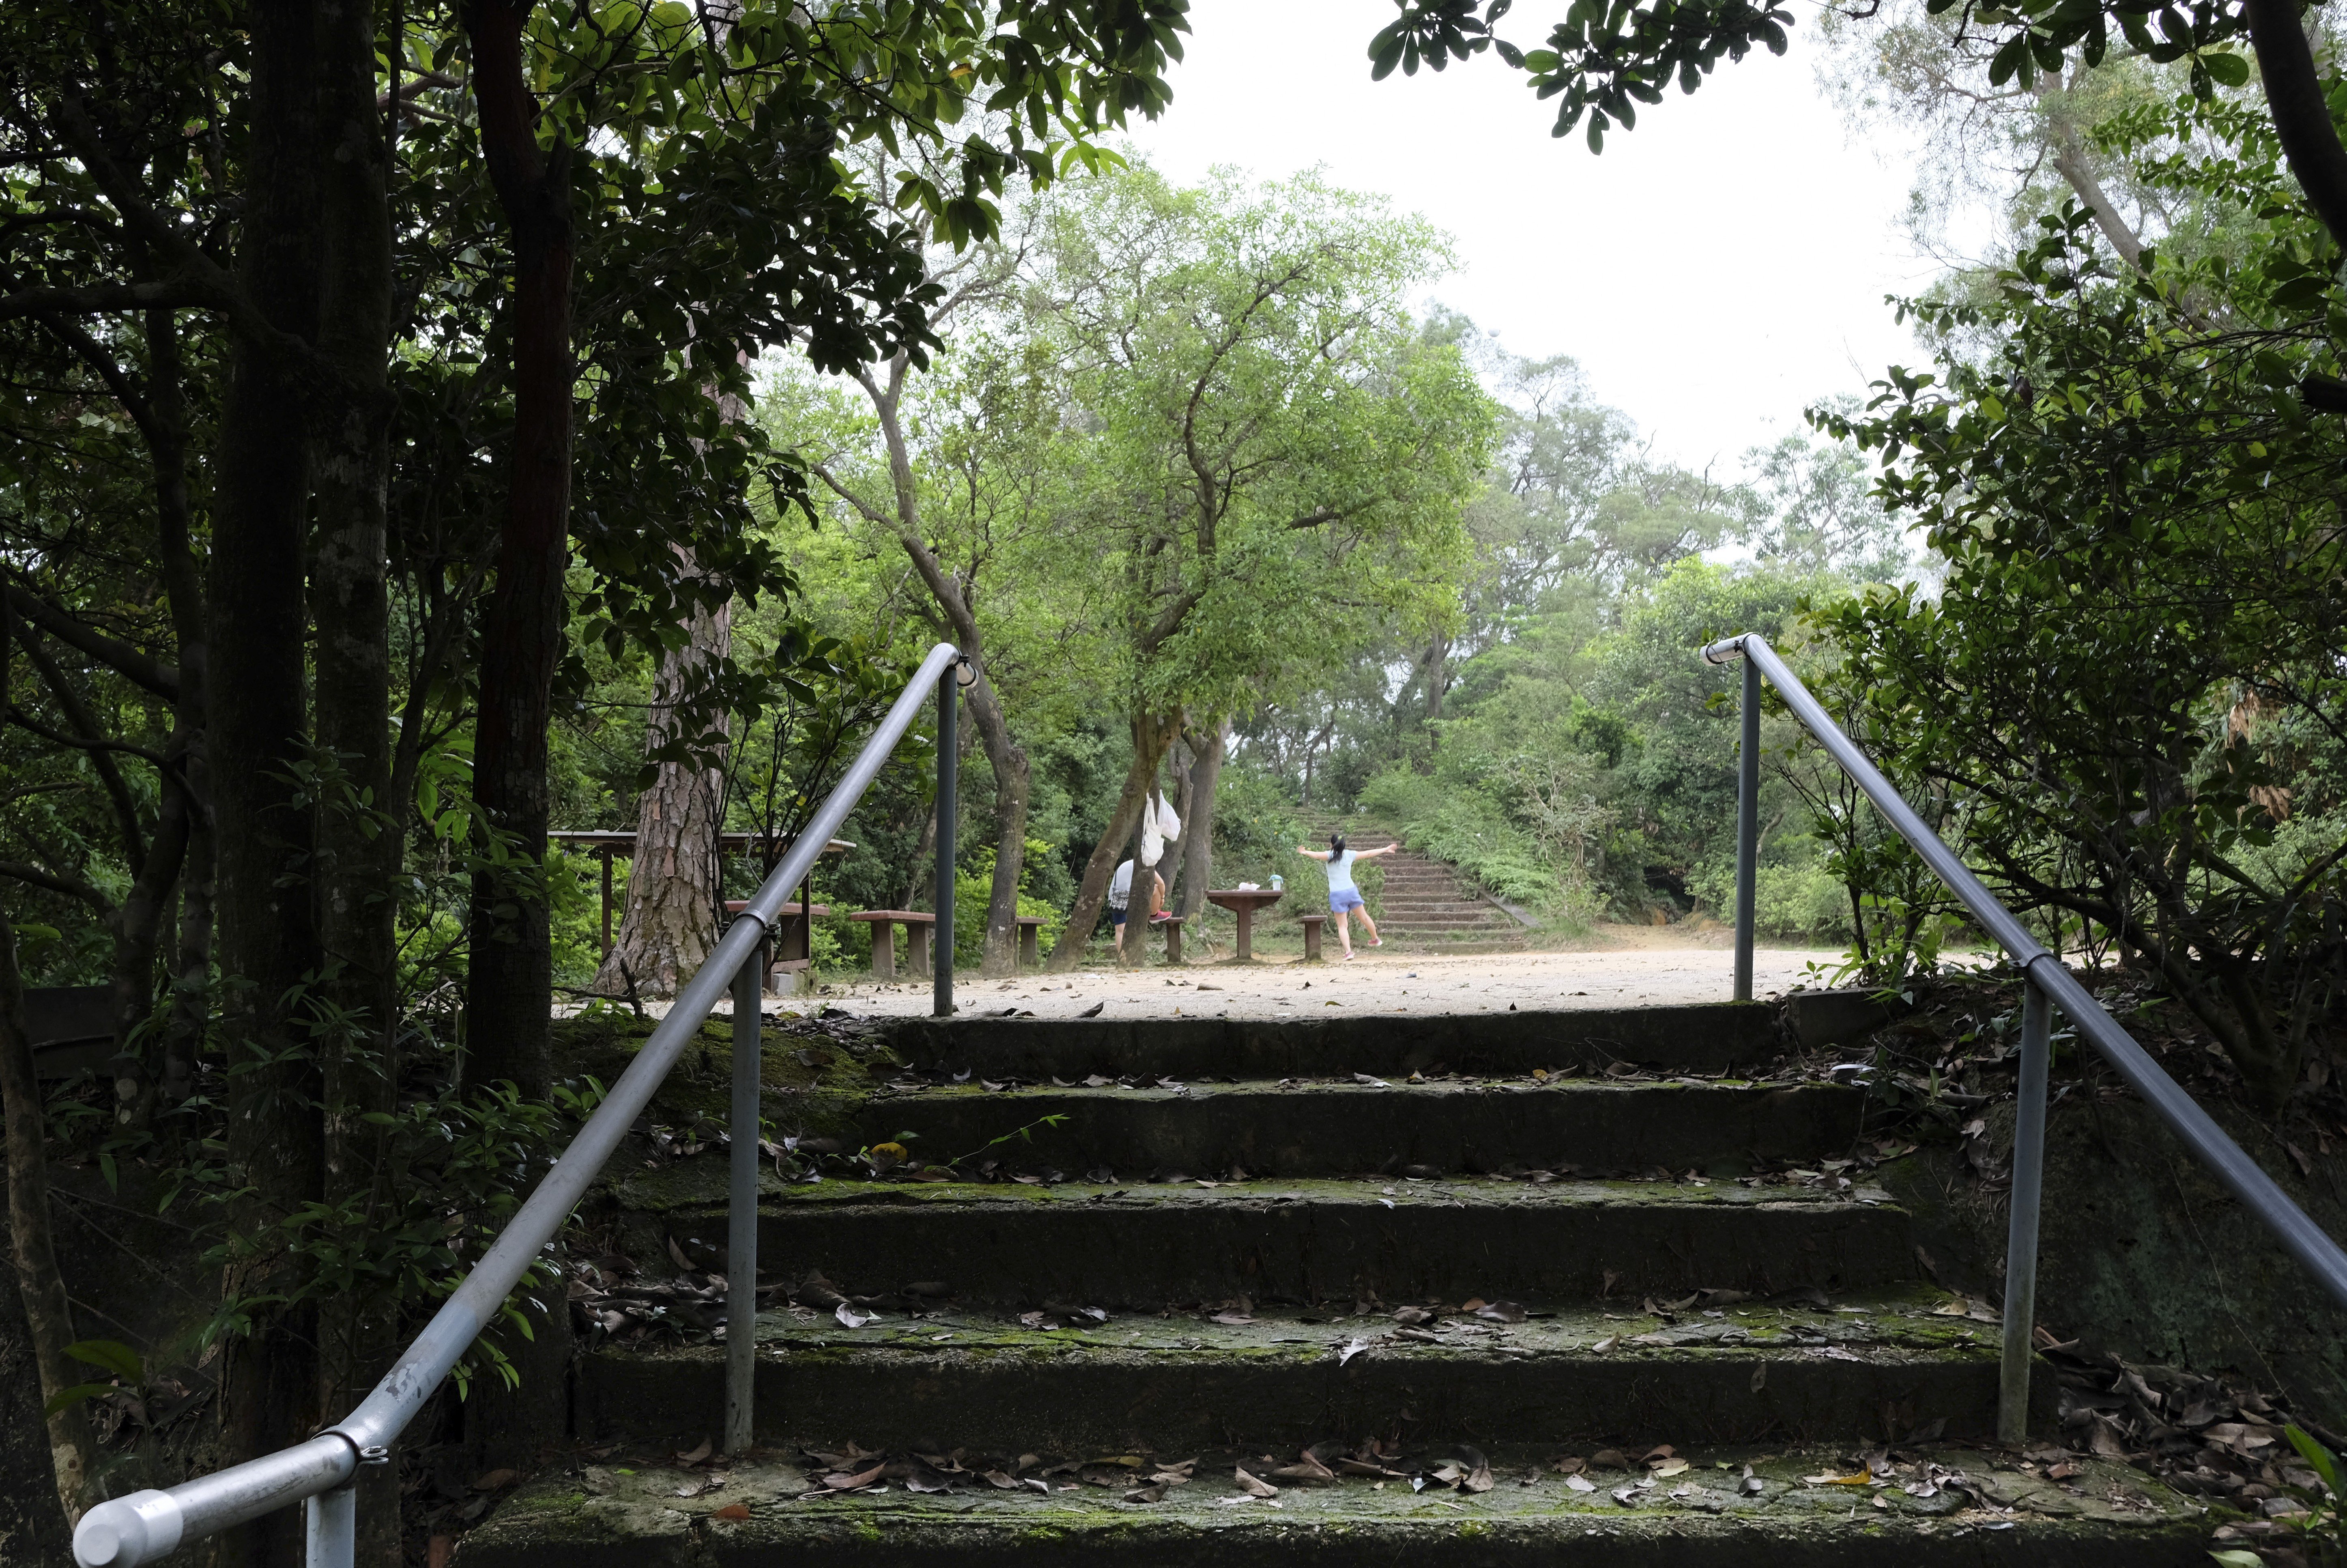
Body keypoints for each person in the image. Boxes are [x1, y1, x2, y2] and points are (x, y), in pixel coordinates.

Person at [1295, 833, 1395, 959]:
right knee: (1364, 917)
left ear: (1331, 845)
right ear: (1344, 845)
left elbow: (1315, 855)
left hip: (1337, 895)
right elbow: (1369, 853)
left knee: (1343, 926)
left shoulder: (1329, 855)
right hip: (1351, 891)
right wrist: (1386, 849)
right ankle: (1375, 939)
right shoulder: (1349, 854)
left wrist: (1304, 852)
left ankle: (1349, 953)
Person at [1107, 857, 1167, 954]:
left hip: (1114, 897)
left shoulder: (1128, 864)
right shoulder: (1145, 863)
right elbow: (1161, 884)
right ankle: (1154, 914)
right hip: (1127, 897)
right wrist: (1163, 898)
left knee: (1120, 930)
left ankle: (1122, 959)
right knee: (1156, 888)